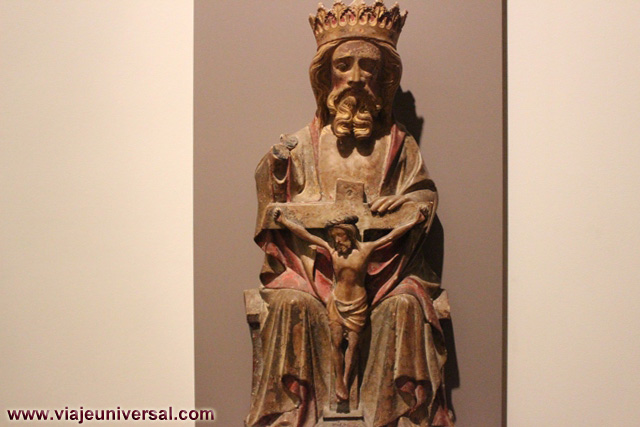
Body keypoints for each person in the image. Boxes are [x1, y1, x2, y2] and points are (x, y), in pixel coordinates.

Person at [246, 2, 453, 426]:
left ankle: (395, 415)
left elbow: (423, 195)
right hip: (311, 270)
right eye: (344, 65)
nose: (356, 77)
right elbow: (275, 203)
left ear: (384, 78)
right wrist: (279, 168)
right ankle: (291, 414)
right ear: (326, 75)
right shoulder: (303, 145)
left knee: (406, 307)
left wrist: (408, 204)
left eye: (368, 66)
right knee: (288, 302)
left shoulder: (399, 145)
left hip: (387, 274)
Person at [274, 207, 428, 403]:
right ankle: (339, 380)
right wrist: (284, 221)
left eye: (340, 236)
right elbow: (306, 235)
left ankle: (347, 380)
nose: (337, 241)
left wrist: (416, 220)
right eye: (334, 237)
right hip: (337, 304)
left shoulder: (365, 250)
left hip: (358, 305)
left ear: (349, 234)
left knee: (353, 346)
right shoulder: (332, 251)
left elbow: (392, 236)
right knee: (336, 343)